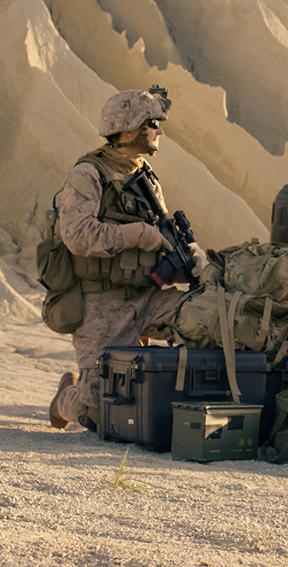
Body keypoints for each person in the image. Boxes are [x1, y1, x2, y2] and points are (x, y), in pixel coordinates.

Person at [48, 88, 205, 431]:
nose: (160, 132)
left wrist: (189, 257)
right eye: (153, 124)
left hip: (147, 297)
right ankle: (66, 400)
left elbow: (161, 236)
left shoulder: (145, 176)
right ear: (131, 130)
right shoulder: (88, 175)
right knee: (100, 413)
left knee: (207, 320)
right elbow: (76, 234)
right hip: (102, 305)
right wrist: (134, 235)